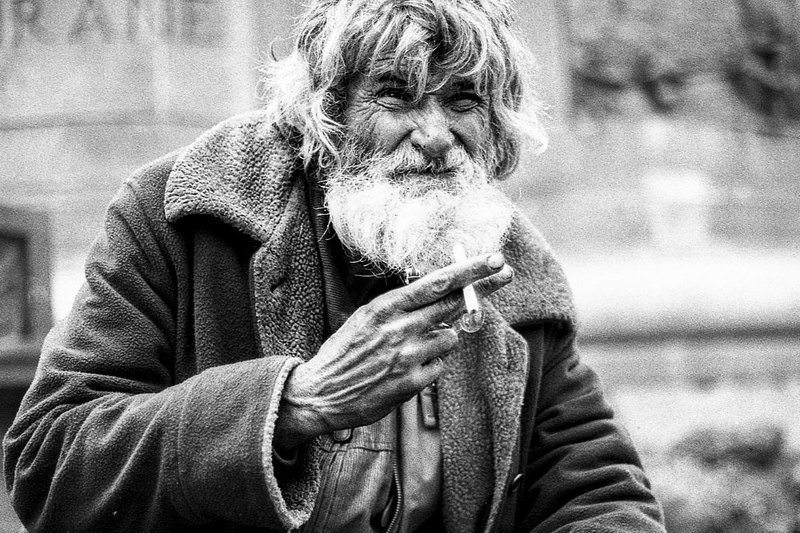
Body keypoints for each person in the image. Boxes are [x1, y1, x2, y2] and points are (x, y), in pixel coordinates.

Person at [3, 1, 665, 532]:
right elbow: (49, 462)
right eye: (397, 96)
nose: (436, 136)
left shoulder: (512, 268)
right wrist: (294, 404)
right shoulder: (179, 215)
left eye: (463, 100)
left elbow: (595, 484)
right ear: (325, 113)